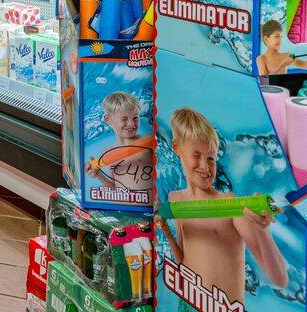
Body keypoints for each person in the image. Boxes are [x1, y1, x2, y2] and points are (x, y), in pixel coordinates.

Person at [157, 107, 287, 306]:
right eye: (196, 155)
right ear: (176, 147)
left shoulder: (231, 205)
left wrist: (263, 231)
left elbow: (279, 279)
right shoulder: (175, 200)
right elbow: (184, 262)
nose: (205, 166)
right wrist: (166, 231)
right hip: (188, 304)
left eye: (211, 158)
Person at [88, 91, 153, 194]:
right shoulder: (108, 153)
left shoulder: (147, 144)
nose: (131, 124)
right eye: (124, 119)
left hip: (146, 207)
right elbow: (116, 189)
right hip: (123, 205)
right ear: (108, 119)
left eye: (135, 118)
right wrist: (99, 175)